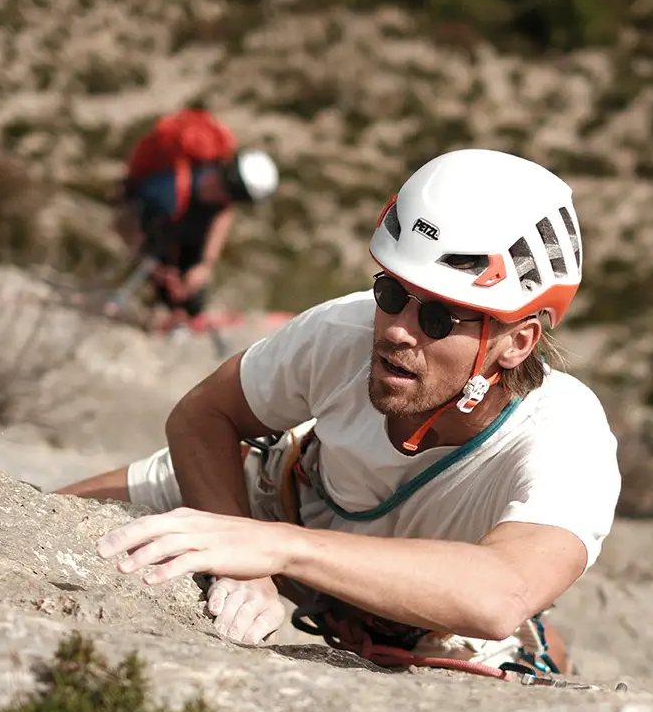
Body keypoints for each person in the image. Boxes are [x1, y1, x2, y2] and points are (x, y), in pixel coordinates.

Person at [59, 148, 621, 679]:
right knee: (50, 522)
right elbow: (203, 415)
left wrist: (279, 549)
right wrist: (245, 563)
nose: (397, 331)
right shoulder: (343, 331)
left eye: (439, 318)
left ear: (517, 343)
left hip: (422, 618)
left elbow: (503, 594)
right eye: (392, 293)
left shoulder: (564, 436)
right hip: (273, 499)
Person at [110, 112, 279, 332]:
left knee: (188, 284)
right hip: (157, 227)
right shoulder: (165, 194)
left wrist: (205, 265)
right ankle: (162, 315)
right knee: (162, 268)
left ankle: (181, 313)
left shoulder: (217, 187)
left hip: (180, 225)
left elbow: (223, 215)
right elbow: (124, 223)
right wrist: (152, 266)